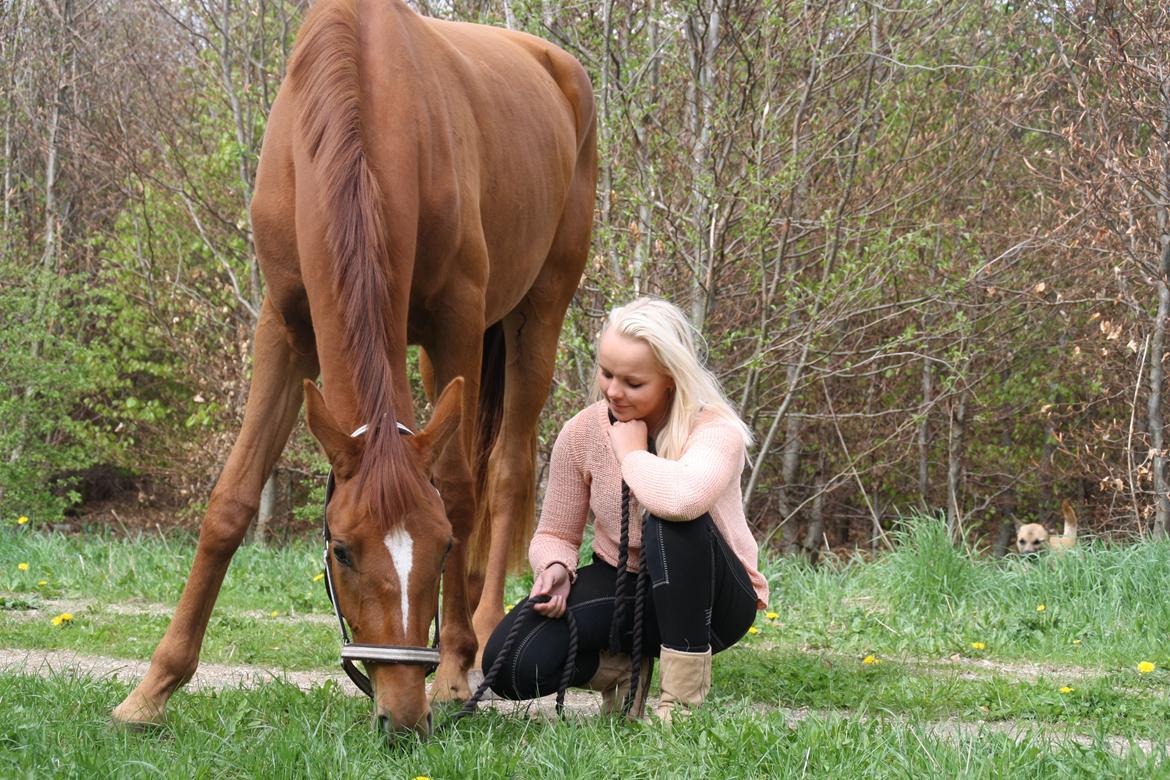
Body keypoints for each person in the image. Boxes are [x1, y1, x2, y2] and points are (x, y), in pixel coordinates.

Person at [481, 297, 769, 721]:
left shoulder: (714, 429)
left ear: (671, 378)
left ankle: (680, 710)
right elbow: (555, 532)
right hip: (624, 585)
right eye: (606, 373)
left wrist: (631, 455)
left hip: (714, 601)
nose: (613, 391)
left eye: (632, 383)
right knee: (507, 664)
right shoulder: (583, 431)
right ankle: (622, 672)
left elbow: (682, 500)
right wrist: (555, 566)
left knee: (670, 522)